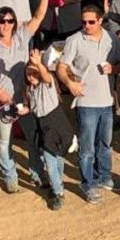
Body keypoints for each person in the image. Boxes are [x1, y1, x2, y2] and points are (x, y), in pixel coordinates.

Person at [0, 0, 49, 194]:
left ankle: (38, 174)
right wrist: (0, 93)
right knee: (4, 141)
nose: (6, 24)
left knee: (33, 137)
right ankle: (10, 177)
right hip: (1, 101)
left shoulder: (21, 37)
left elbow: (37, 18)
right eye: (2, 21)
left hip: (24, 99)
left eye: (10, 21)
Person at [56, 5, 120, 204]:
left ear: (100, 20)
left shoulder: (111, 38)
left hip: (106, 101)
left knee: (105, 144)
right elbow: (62, 67)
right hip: (85, 101)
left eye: (91, 22)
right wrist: (70, 84)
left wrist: (113, 68)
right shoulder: (74, 40)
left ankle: (104, 177)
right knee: (87, 148)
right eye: (84, 22)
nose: (87, 25)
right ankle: (88, 183)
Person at [23, 48, 74, 211]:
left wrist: (39, 64)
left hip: (57, 125)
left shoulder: (47, 84)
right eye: (28, 73)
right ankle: (58, 190)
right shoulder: (30, 91)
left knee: (58, 158)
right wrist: (24, 110)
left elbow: (46, 76)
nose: (31, 76)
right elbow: (34, 108)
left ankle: (58, 186)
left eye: (34, 72)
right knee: (51, 161)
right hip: (45, 128)